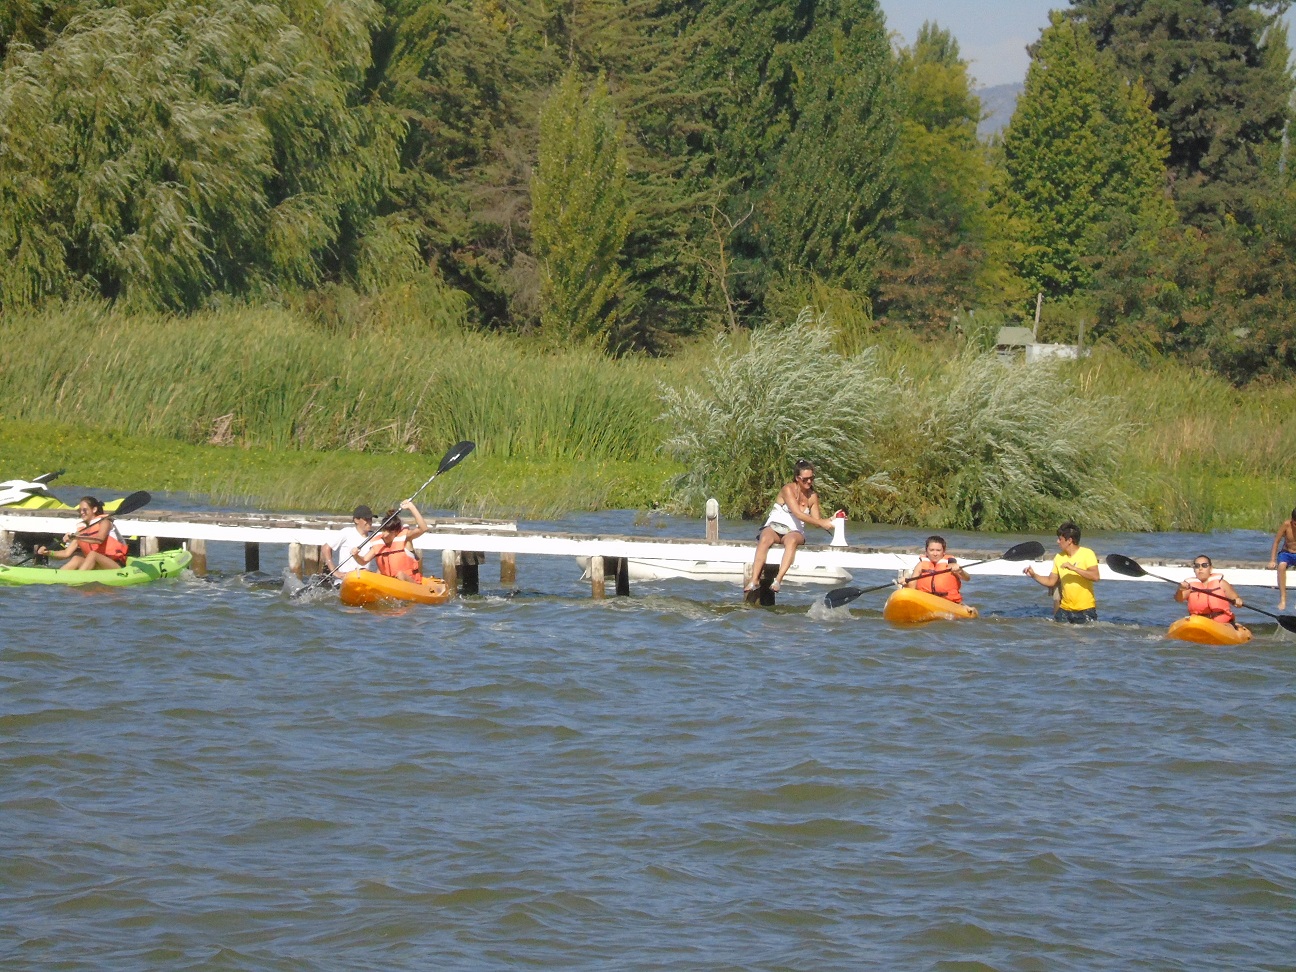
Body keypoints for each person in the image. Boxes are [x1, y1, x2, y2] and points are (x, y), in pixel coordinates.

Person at [745, 460, 838, 594]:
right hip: (775, 527)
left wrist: (831, 520)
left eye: (812, 478)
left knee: (792, 540)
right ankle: (755, 580)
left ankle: (778, 580)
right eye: (805, 479)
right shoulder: (787, 489)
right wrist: (822, 523)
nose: (809, 482)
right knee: (764, 538)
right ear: (797, 478)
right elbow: (798, 514)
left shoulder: (812, 497)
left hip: (794, 531)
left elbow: (817, 522)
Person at [1023, 520, 1100, 623]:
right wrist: (1034, 575)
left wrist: (1074, 568)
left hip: (1085, 610)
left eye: (1060, 539)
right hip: (1064, 610)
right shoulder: (1059, 557)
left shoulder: (1087, 553)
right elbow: (1051, 581)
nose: (1057, 542)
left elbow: (1095, 576)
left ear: (1069, 540)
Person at [36, 496, 129, 571]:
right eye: (80, 510)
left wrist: (76, 537)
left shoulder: (105, 522)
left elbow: (99, 540)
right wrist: (48, 553)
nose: (82, 513)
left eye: (84, 510)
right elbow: (66, 553)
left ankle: (78, 577)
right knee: (76, 558)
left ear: (94, 509)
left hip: (115, 565)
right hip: (97, 566)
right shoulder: (82, 530)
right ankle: (57, 578)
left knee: (93, 554)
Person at [355, 500, 428, 583]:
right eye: (384, 530)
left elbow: (423, 528)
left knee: (400, 574)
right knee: (365, 571)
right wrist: (356, 555)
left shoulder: (406, 539)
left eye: (389, 532)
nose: (385, 535)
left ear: (396, 532)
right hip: (389, 583)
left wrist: (411, 507)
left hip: (410, 583)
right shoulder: (379, 544)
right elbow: (363, 561)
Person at [1176, 555, 1244, 625]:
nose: (1200, 568)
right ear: (1194, 569)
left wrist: (1238, 601)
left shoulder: (1221, 583)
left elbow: (1236, 599)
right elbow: (1179, 599)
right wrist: (1180, 590)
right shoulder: (1189, 586)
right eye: (1197, 566)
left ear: (1210, 568)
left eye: (1204, 565)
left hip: (1221, 623)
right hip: (1199, 622)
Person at [904, 535, 970, 603]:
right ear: (926, 551)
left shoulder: (950, 565)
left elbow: (967, 578)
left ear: (943, 552)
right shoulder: (920, 565)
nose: (935, 554)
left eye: (938, 550)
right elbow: (912, 586)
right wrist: (905, 584)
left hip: (948, 602)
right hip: (925, 601)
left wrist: (961, 571)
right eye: (931, 550)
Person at [322, 505, 378, 578]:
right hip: (346, 579)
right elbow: (325, 548)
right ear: (356, 520)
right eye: (366, 519)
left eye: (370, 519)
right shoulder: (347, 532)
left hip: (365, 579)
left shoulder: (375, 537)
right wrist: (334, 571)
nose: (369, 522)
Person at [1266, 507, 1296, 610]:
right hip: (1286, 553)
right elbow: (1276, 542)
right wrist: (1272, 560)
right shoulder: (1286, 525)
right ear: (1292, 521)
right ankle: (1283, 599)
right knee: (1281, 567)